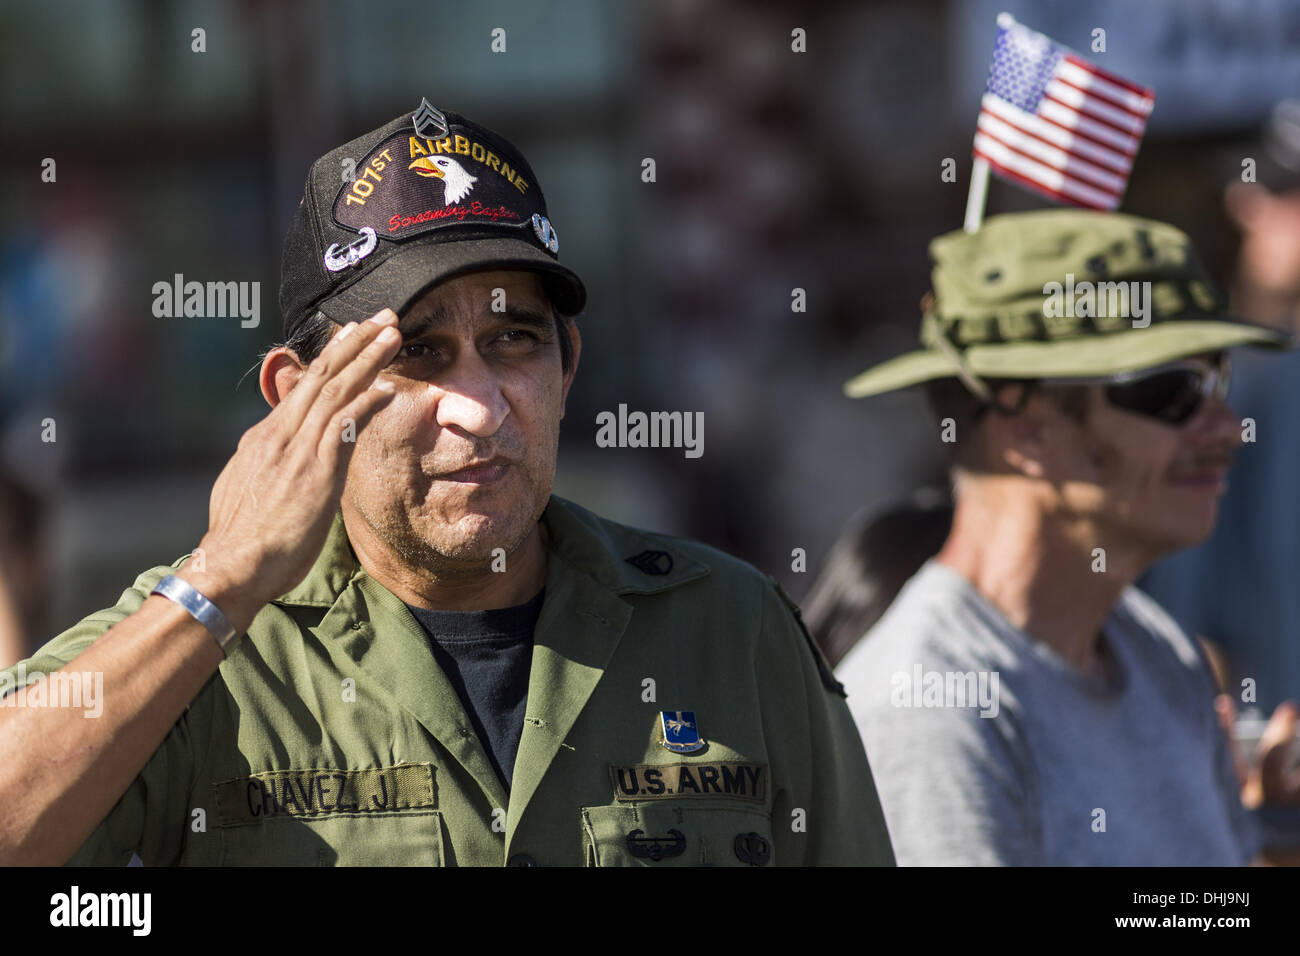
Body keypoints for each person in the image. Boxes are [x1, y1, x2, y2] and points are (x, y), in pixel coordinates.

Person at [0, 101, 894, 867]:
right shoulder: (203, 652)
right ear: (298, 396)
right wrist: (220, 583)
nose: (476, 408)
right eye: (417, 352)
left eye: (514, 342)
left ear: (568, 363)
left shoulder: (732, 630)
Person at [835, 208, 1300, 865]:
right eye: (1171, 390)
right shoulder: (934, 708)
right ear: (1027, 428)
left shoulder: (1157, 653)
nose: (1226, 429)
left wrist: (1274, 845)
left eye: (1219, 378)